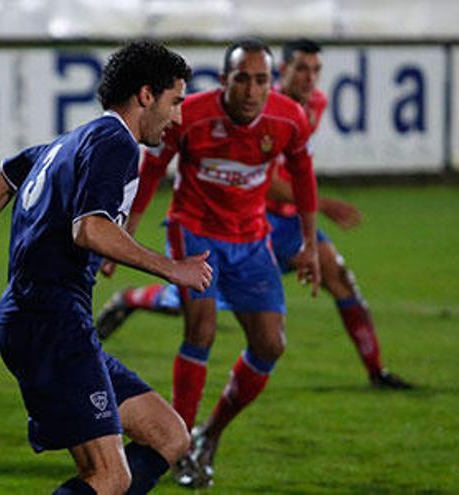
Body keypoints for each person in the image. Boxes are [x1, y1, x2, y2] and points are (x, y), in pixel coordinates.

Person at [0, 41, 213, 495]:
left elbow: (0, 180)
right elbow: (91, 229)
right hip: (52, 323)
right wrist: (169, 268)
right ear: (146, 95)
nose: (178, 117)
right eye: (175, 101)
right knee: (109, 476)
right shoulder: (118, 143)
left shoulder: (71, 141)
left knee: (169, 435)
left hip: (45, 320)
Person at [96, 39, 411, 390]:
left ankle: (376, 371)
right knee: (196, 312)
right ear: (284, 71)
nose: (310, 79)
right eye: (301, 69)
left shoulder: (312, 106)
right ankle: (133, 300)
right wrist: (324, 205)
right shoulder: (244, 107)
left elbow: (292, 171)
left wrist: (309, 225)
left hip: (271, 223)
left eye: (316, 70)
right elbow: (259, 176)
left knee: (335, 277)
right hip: (246, 217)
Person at [101, 38, 321, 488]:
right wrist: (126, 231)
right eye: (243, 78)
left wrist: (310, 243)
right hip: (195, 229)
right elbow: (153, 171)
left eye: (261, 80)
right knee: (200, 328)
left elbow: (302, 175)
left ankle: (208, 435)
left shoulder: (288, 118)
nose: (252, 89)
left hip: (250, 238)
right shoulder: (192, 115)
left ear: (271, 83)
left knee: (270, 345)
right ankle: (176, 446)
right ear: (225, 80)